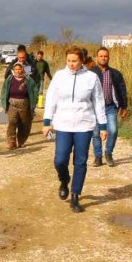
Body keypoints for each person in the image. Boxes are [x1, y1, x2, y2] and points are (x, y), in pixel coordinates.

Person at [41, 46, 107, 213]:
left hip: (84, 124)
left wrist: (103, 126)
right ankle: (64, 180)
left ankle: (75, 195)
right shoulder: (59, 76)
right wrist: (47, 121)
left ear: (82, 61)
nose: (71, 64)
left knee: (80, 160)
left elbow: (98, 101)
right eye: (69, 61)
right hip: (63, 124)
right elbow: (51, 99)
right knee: (60, 159)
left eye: (75, 61)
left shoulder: (91, 78)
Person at [90, 47, 129, 167]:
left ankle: (108, 153)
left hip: (110, 106)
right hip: (95, 108)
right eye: (101, 56)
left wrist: (123, 106)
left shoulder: (115, 74)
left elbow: (122, 90)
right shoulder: (90, 73)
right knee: (96, 133)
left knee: (113, 130)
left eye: (105, 56)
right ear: (96, 57)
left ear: (108, 57)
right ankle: (98, 157)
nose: (103, 58)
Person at [0, 62, 39, 149]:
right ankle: (12, 142)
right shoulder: (9, 79)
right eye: (16, 69)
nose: (18, 71)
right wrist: (4, 103)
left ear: (23, 69)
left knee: (24, 124)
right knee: (12, 122)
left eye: (20, 69)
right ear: (13, 70)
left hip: (25, 105)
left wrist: (33, 104)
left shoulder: (28, 80)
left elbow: (35, 91)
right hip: (12, 104)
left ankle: (21, 141)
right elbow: (3, 91)